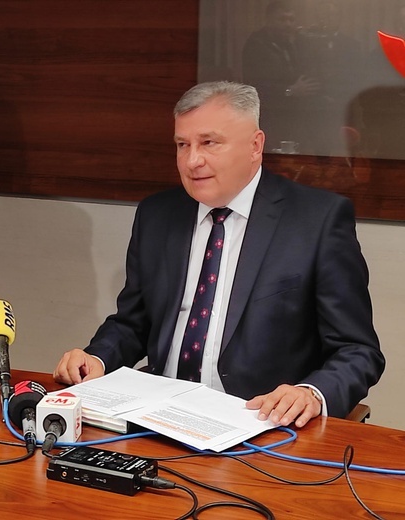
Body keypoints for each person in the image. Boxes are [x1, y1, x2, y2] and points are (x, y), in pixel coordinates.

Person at [53, 81, 384, 428]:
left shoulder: (316, 220)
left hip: (257, 421)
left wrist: (311, 393)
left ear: (255, 146)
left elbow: (358, 351)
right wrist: (97, 358)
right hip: (156, 415)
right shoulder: (158, 214)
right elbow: (133, 323)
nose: (192, 161)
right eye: (183, 145)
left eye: (209, 143)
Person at [242, 0, 321, 153]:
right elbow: (254, 85)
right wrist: (289, 90)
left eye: (291, 20)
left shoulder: (293, 43)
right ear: (269, 20)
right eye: (282, 19)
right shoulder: (256, 44)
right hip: (270, 115)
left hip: (295, 116)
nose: (288, 24)